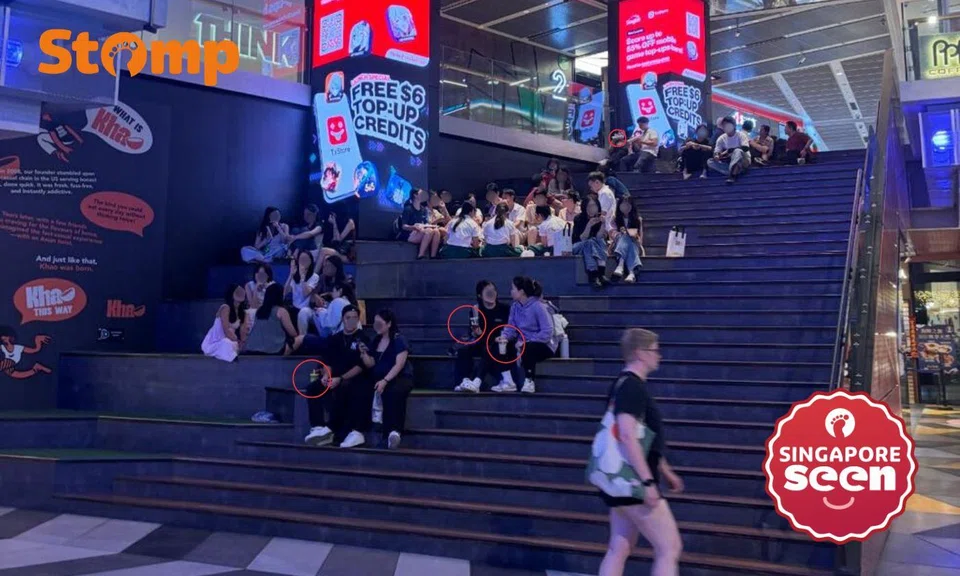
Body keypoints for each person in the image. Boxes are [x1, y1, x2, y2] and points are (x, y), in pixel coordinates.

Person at [598, 328, 684, 576]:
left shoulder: (623, 385)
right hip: (634, 482)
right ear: (640, 353)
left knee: (619, 547)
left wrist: (665, 470)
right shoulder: (632, 388)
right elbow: (627, 434)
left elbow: (642, 436)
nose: (659, 356)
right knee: (669, 547)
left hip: (621, 480)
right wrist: (648, 481)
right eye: (655, 350)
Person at [303, 304, 372, 447]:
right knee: (313, 388)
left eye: (354, 318)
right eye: (348, 318)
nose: (351, 321)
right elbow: (327, 361)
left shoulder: (363, 338)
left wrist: (340, 379)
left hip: (351, 378)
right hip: (333, 376)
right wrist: (326, 375)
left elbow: (360, 366)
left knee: (344, 388)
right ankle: (317, 427)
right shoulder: (334, 339)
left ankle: (334, 429)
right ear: (343, 319)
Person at [494, 277, 557, 394]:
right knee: (501, 344)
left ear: (521, 291)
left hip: (544, 345)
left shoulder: (538, 306)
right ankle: (508, 381)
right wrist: (504, 337)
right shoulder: (515, 307)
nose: (511, 291)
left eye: (513, 289)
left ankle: (529, 381)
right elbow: (511, 328)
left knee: (528, 348)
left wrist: (527, 341)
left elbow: (547, 331)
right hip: (521, 343)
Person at [452, 281, 516, 392]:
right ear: (480, 295)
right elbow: (474, 332)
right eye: (487, 292)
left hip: (500, 344)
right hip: (483, 340)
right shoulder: (476, 310)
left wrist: (501, 338)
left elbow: (510, 330)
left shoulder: (505, 309)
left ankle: (477, 381)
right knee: (464, 350)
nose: (491, 294)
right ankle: (464, 381)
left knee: (489, 348)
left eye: (493, 291)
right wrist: (476, 333)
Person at [368, 309, 414, 449]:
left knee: (393, 391)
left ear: (389, 324)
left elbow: (399, 364)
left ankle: (393, 432)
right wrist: (364, 354)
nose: (376, 326)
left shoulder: (399, 340)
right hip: (379, 378)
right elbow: (371, 363)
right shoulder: (376, 340)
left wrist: (385, 380)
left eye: (380, 323)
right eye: (375, 323)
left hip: (400, 377)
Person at [244, 283, 303, 355]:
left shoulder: (259, 311)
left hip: (252, 350)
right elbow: (293, 333)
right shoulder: (281, 311)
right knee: (301, 338)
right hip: (274, 350)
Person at [202, 284, 248, 362]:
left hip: (231, 340)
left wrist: (241, 342)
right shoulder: (225, 308)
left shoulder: (243, 312)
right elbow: (226, 330)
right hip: (215, 342)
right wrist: (236, 340)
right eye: (238, 292)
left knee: (233, 345)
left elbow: (243, 332)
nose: (240, 293)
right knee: (227, 343)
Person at [573, 196, 610, 288]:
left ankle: (596, 275)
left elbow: (599, 237)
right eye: (589, 206)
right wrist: (589, 225)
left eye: (594, 206)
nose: (591, 208)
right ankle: (597, 273)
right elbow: (582, 238)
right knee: (589, 242)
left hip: (592, 247)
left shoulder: (599, 218)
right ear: (584, 207)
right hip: (577, 246)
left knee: (598, 240)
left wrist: (603, 224)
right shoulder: (578, 218)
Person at [398, 188, 441, 259]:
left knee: (436, 231)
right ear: (415, 195)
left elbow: (426, 223)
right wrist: (414, 227)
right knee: (429, 231)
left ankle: (433, 256)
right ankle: (420, 255)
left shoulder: (423, 210)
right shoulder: (408, 209)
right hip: (410, 234)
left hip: (422, 231)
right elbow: (404, 226)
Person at [284, 250, 320, 336]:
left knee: (302, 313)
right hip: (294, 307)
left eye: (306, 259)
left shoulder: (314, 276)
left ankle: (302, 338)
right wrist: (291, 274)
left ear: (311, 262)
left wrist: (302, 276)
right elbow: (285, 292)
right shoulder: (294, 275)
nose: (303, 261)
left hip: (307, 309)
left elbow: (305, 293)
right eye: (301, 259)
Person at [609, 196, 643, 283]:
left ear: (632, 206)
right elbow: (612, 235)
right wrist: (620, 233)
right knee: (623, 236)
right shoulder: (615, 219)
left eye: (628, 204)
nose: (625, 207)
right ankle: (632, 273)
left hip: (634, 244)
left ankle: (620, 266)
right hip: (617, 246)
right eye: (623, 204)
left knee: (629, 240)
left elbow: (640, 240)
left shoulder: (637, 220)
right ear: (619, 206)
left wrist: (635, 236)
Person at [708, 116, 751, 184]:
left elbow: (745, 148)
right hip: (729, 161)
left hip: (743, 159)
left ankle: (733, 175)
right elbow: (717, 150)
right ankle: (736, 170)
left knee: (737, 151)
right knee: (710, 161)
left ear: (733, 125)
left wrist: (729, 151)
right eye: (724, 125)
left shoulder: (741, 135)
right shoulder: (721, 138)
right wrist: (717, 156)